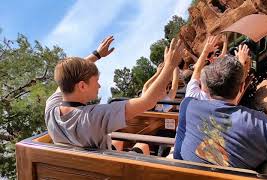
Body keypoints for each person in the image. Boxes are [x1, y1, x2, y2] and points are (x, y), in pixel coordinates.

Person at [173, 48, 267, 179]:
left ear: (206, 88)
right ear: (242, 86)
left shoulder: (187, 106)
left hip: (186, 173)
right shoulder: (262, 124)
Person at [45, 35, 184, 151]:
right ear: (82, 86)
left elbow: (67, 77)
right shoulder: (94, 116)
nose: (99, 86)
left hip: (80, 168)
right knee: (143, 145)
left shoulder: (51, 109)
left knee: (117, 141)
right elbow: (147, 102)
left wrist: (96, 55)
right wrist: (170, 66)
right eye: (96, 81)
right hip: (104, 171)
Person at [186, 35, 249, 100]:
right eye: (214, 53)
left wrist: (205, 52)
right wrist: (225, 43)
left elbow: (197, 70)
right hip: (219, 81)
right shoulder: (212, 60)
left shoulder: (192, 95)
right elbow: (223, 54)